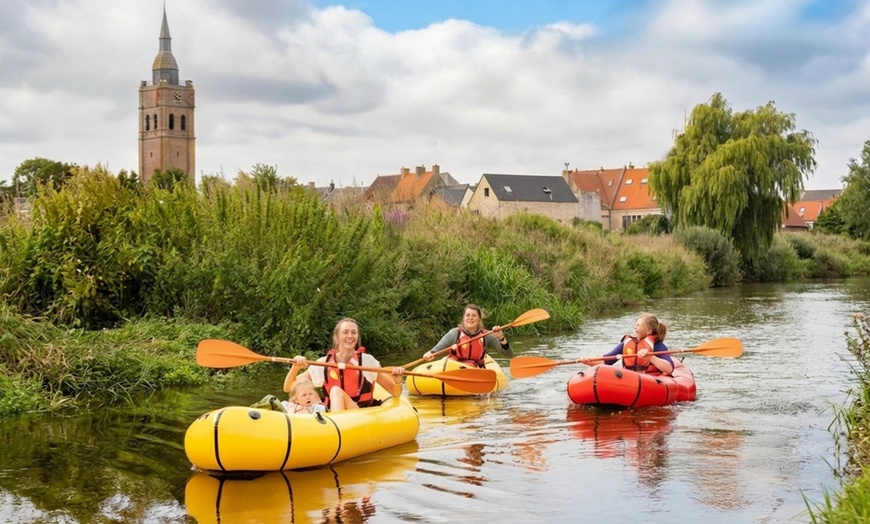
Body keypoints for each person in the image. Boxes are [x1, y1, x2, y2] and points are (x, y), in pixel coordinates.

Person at [283, 318, 404, 411]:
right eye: (345, 332)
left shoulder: (367, 362)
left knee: (336, 390)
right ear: (337, 337)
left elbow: (395, 392)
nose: (350, 336)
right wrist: (295, 368)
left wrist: (398, 381)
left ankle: (334, 430)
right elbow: (289, 387)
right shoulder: (323, 364)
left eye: (353, 332)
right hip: (334, 415)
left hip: (360, 413)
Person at [577, 313, 674, 375]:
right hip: (630, 381)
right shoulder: (627, 343)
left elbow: (669, 369)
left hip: (651, 381)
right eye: (635, 325)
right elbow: (606, 360)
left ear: (649, 331)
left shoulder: (658, 346)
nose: (635, 328)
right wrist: (587, 360)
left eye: (638, 326)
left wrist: (650, 356)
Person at [421, 304, 513, 368]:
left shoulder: (486, 336)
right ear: (464, 318)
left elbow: (508, 354)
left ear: (479, 319)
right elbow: (436, 349)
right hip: (454, 367)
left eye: (474, 316)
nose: (470, 318)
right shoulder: (454, 334)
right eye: (467, 315)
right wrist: (430, 353)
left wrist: (501, 338)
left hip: (474, 370)